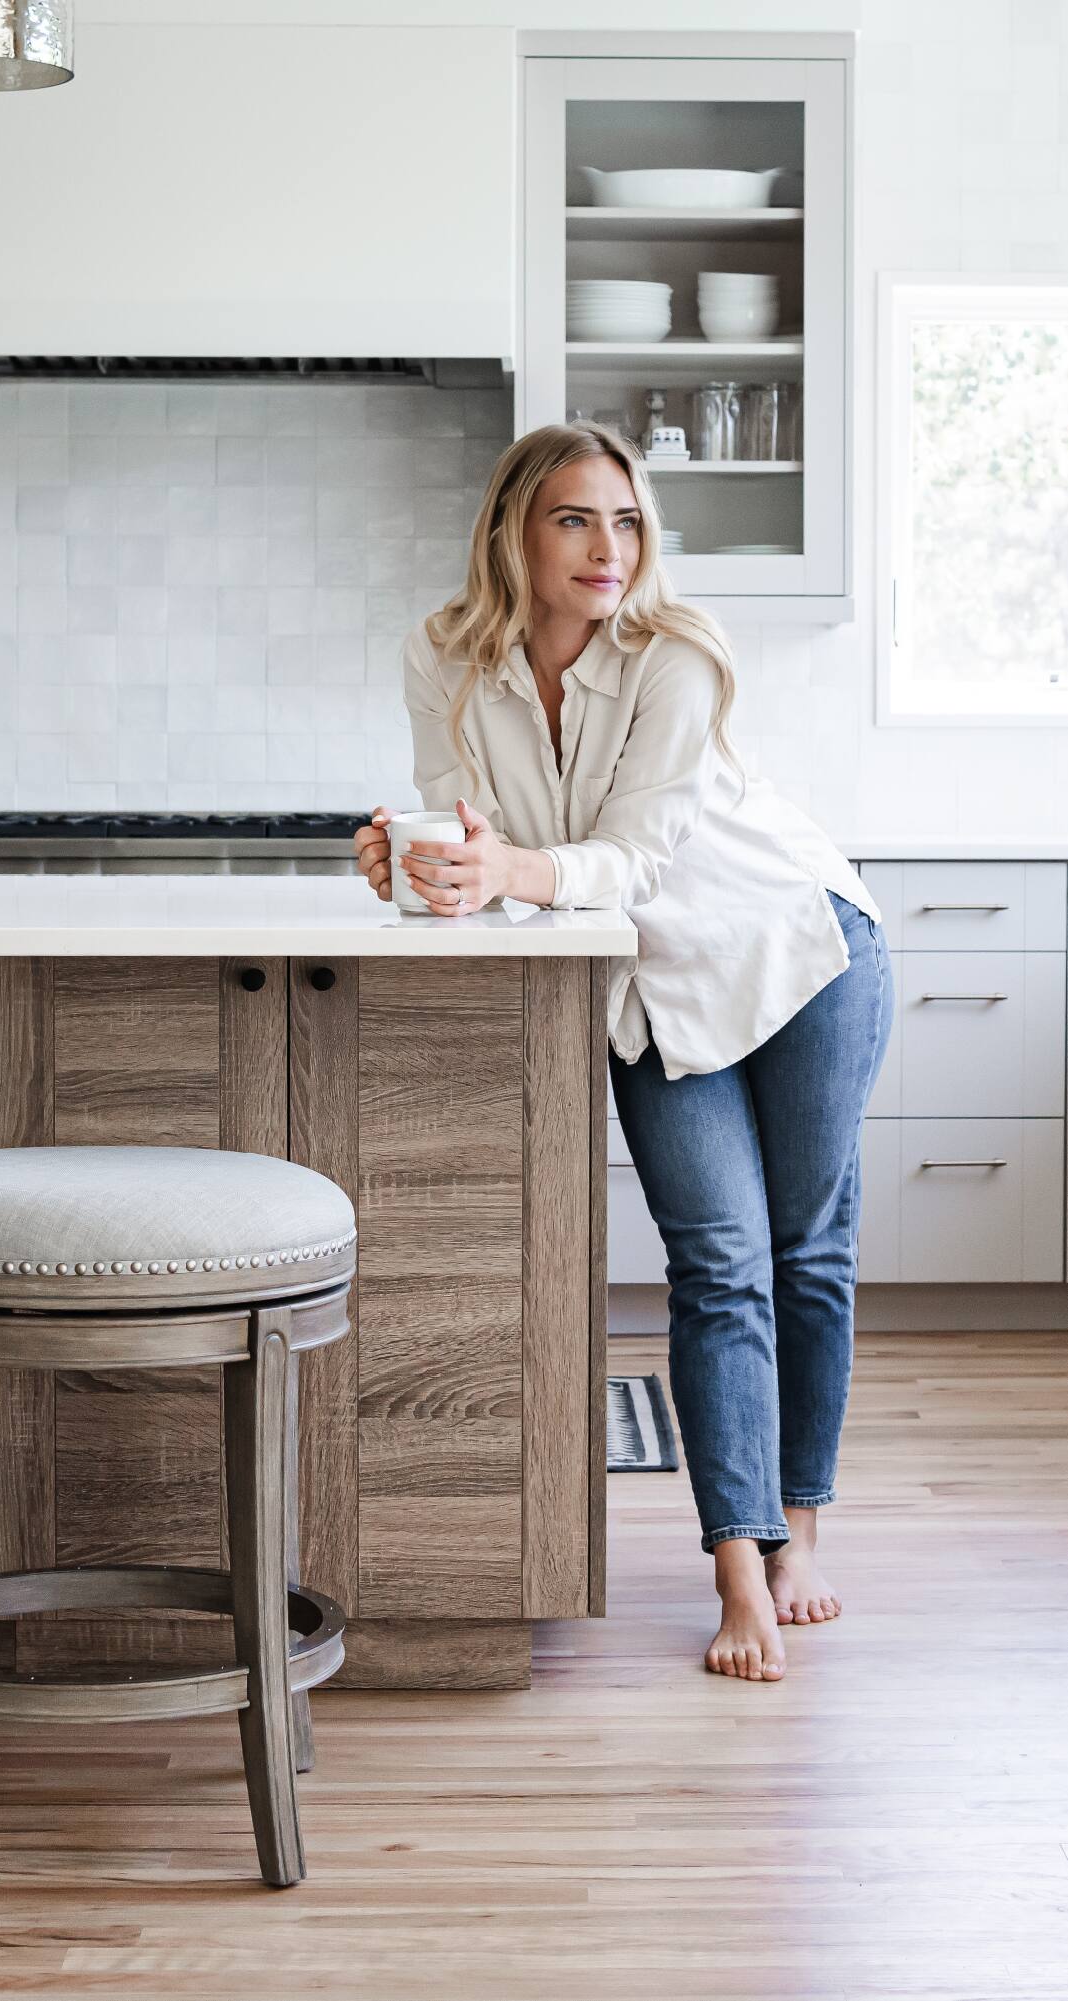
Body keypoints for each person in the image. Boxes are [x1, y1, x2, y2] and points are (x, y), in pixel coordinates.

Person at [353, 420, 894, 1684]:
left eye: (628, 520)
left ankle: (796, 1531)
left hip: (800, 957)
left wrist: (495, 868)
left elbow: (630, 861)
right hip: (652, 994)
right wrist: (415, 860)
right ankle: (736, 1568)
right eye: (576, 520)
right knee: (717, 1262)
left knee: (804, 1245)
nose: (610, 548)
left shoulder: (676, 657)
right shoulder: (445, 654)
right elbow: (475, 839)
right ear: (513, 534)